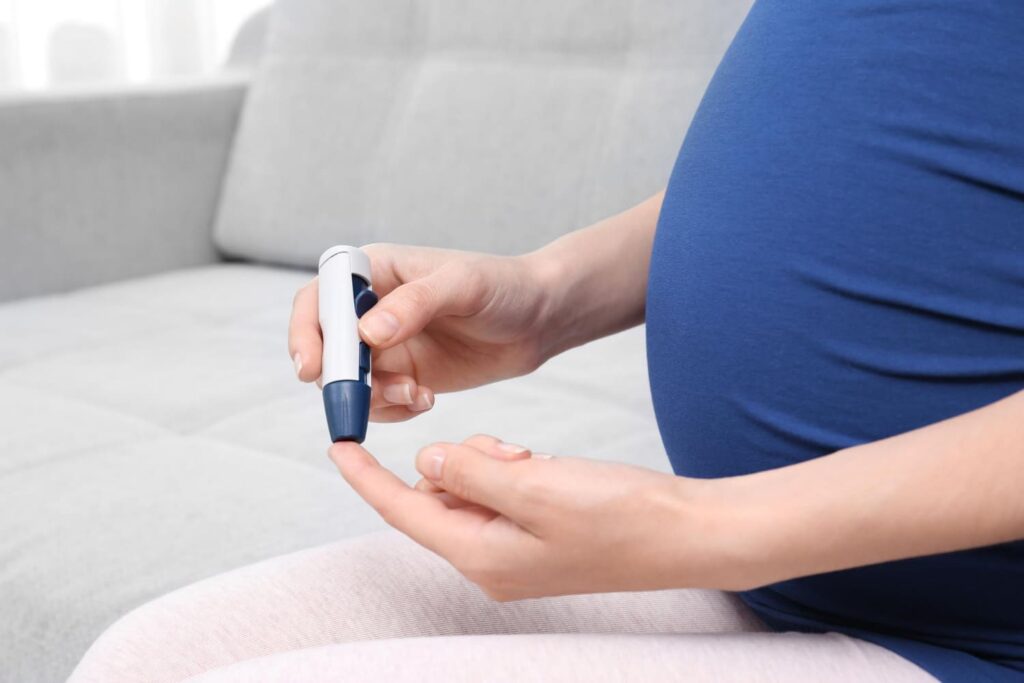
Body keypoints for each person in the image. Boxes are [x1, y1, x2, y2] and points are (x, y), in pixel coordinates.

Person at [71, 1, 1023, 681]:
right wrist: (548, 296)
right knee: (144, 660)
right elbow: (870, 150)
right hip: (775, 572)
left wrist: (706, 529)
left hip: (970, 635)